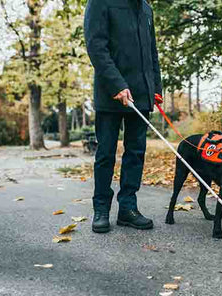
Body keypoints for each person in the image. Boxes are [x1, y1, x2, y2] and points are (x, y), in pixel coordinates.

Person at [84, 0, 163, 233]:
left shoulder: (146, 8)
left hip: (141, 96)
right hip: (111, 94)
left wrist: (155, 89)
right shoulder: (100, 2)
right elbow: (96, 46)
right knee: (106, 153)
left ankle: (128, 209)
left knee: (136, 153)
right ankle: (101, 209)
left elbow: (152, 53)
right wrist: (116, 84)